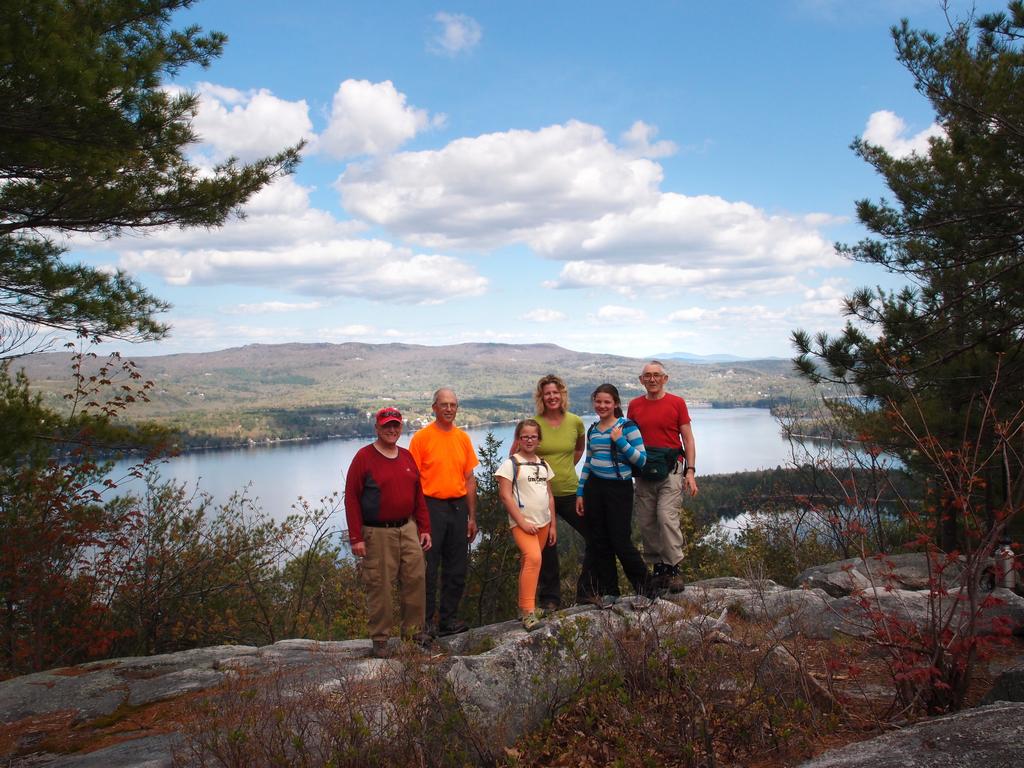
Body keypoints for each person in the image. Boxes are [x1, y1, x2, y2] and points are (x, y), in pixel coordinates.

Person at [344, 407, 433, 659]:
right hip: (377, 532)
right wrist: (356, 537)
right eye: (386, 426)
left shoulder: (406, 457)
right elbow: (351, 498)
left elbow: (418, 496)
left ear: (400, 427)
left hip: (408, 528)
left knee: (416, 579)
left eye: (396, 425)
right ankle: (381, 639)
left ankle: (413, 634)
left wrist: (424, 528)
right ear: (377, 428)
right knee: (380, 584)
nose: (392, 430)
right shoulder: (364, 457)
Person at [510, 374, 589, 610]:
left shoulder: (575, 422)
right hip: (540, 499)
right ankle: (550, 599)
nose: (552, 397)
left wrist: (560, 470)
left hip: (570, 491)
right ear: (541, 397)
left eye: (556, 392)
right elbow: (514, 457)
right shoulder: (533, 425)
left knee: (595, 536)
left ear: (562, 394)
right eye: (547, 393)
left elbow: (578, 450)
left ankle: (587, 592)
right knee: (547, 549)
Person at [409, 388, 478, 636]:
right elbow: (413, 481)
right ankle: (425, 624)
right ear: (434, 407)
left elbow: (469, 479)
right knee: (428, 567)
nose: (449, 409)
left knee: (457, 567)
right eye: (444, 405)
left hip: (458, 508)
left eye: (453, 405)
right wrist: (418, 519)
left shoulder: (462, 438)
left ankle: (448, 620)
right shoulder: (421, 438)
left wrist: (472, 517)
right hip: (431, 507)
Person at [575, 383, 653, 603]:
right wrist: (580, 492)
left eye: (607, 402)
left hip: (619, 489)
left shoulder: (627, 427)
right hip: (594, 489)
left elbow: (642, 460)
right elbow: (588, 462)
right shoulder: (592, 430)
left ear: (616, 404)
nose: (602, 406)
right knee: (600, 541)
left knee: (620, 541)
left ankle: (646, 589)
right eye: (598, 401)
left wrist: (620, 441)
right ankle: (611, 592)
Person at [627, 360, 699, 593]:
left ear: (665, 378)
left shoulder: (676, 403)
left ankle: (674, 568)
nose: (652, 379)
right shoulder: (635, 405)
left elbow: (687, 438)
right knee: (647, 522)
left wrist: (691, 471)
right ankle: (659, 571)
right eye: (647, 375)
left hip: (671, 470)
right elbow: (629, 438)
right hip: (644, 472)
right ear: (641, 380)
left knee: (666, 517)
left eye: (657, 375)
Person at [496, 419, 556, 631]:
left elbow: (549, 496)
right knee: (534, 559)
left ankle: (523, 606)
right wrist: (521, 521)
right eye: (525, 437)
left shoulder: (543, 464)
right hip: (522, 524)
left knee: (528, 564)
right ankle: (529, 612)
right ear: (518, 439)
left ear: (539, 440)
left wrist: (554, 526)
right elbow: (505, 496)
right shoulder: (510, 464)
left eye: (533, 436)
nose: (529, 440)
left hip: (543, 523)